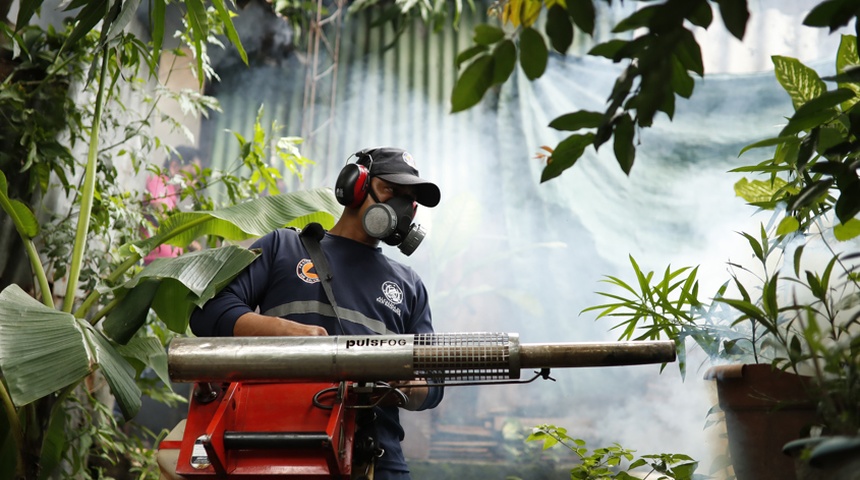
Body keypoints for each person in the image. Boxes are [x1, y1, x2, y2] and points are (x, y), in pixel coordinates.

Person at [189, 146, 444, 480]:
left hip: (376, 458)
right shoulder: (283, 247)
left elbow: (434, 383)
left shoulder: (410, 286)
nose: (400, 208)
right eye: (390, 191)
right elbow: (210, 313)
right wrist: (288, 334)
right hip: (277, 448)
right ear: (355, 184)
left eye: (408, 201)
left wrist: (407, 384)